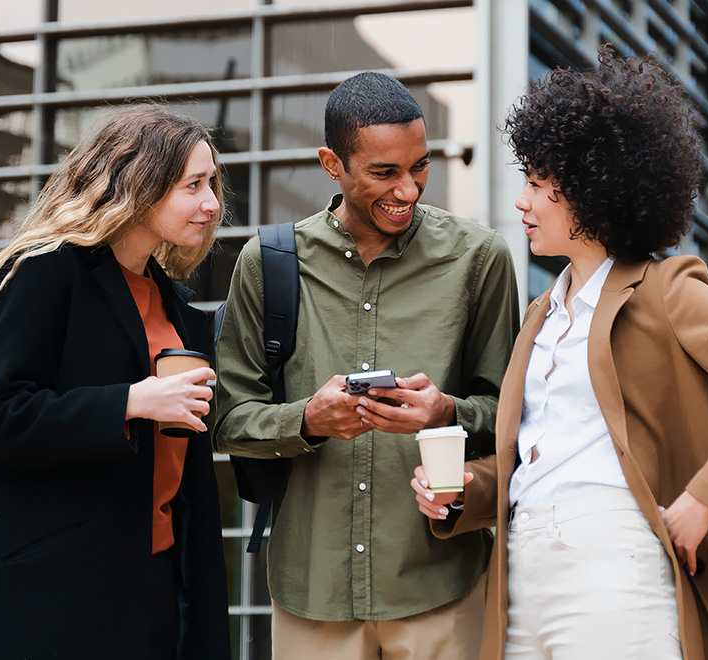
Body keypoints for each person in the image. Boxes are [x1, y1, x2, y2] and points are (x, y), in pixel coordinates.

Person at [411, 47, 708, 660]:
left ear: (587, 190)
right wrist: (460, 493)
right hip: (520, 576)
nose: (522, 203)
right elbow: (535, 462)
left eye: (537, 185)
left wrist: (704, 498)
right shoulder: (541, 316)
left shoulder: (667, 292)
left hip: (614, 568)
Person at [214, 71, 520, 660]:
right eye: (385, 172)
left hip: (440, 582)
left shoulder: (479, 259)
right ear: (332, 163)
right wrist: (309, 420)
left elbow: (510, 415)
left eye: (420, 167)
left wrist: (444, 412)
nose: (408, 190)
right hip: (313, 588)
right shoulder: (269, 263)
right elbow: (230, 421)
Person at [0, 105, 231, 660]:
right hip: (53, 597)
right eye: (194, 185)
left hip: (156, 588)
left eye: (211, 183)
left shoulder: (181, 311)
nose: (211, 202)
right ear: (141, 184)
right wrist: (132, 402)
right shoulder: (45, 272)